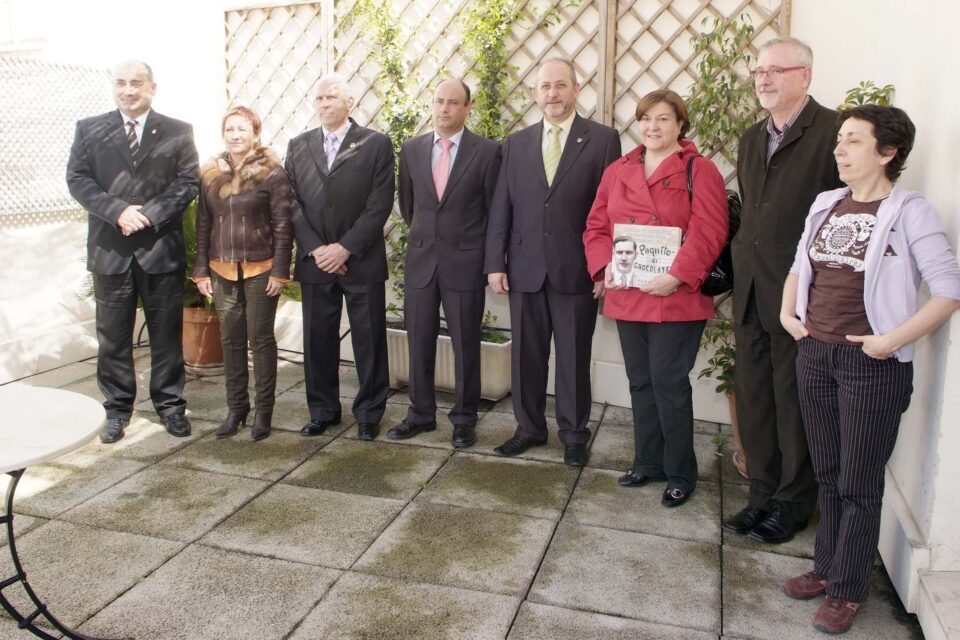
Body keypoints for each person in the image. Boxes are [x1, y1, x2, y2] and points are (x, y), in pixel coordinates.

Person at [779, 105, 960, 634]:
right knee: (829, 471)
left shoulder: (912, 212)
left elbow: (947, 291)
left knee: (859, 480)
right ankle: (828, 566)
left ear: (888, 152)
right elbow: (799, 267)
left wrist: (888, 343)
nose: (840, 149)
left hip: (870, 364)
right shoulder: (826, 203)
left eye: (853, 141)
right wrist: (789, 314)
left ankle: (848, 588)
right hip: (815, 353)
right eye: (840, 139)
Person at [724, 37, 843, 542]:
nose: (764, 79)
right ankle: (761, 495)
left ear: (805, 77)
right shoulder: (752, 138)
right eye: (758, 72)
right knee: (754, 400)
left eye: (775, 70)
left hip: (800, 297)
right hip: (751, 291)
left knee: (795, 404)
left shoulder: (834, 132)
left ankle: (793, 505)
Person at [583, 90, 728, 507]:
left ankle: (682, 471)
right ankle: (648, 461)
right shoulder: (618, 170)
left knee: (669, 383)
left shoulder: (700, 170)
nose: (653, 127)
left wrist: (677, 275)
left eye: (663, 119)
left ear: (680, 124)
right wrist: (603, 266)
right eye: (646, 119)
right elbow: (595, 227)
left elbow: (711, 231)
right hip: (629, 292)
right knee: (641, 382)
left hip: (676, 295)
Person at [485, 58, 621, 466]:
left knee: (574, 356)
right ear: (535, 93)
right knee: (526, 355)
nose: (552, 93)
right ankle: (529, 428)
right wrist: (496, 262)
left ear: (577, 89)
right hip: (524, 268)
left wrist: (602, 266)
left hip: (576, 270)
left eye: (561, 85)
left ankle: (574, 434)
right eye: (545, 86)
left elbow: (611, 209)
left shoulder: (602, 139)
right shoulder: (517, 142)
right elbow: (501, 208)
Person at [66, 60, 199, 444]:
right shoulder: (89, 129)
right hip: (111, 250)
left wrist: (149, 215)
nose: (128, 89)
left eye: (136, 83)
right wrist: (118, 212)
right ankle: (117, 409)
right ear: (114, 87)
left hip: (160, 249)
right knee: (112, 337)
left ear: (152, 88)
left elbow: (187, 180)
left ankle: (172, 407)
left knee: (166, 335)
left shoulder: (177, 131)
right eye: (121, 83)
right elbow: (77, 179)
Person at [387, 79, 502, 448]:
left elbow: (493, 211)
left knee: (466, 344)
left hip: (465, 264)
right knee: (419, 339)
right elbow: (410, 205)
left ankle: (464, 419)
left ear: (468, 107)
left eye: (453, 103)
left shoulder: (487, 152)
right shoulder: (412, 149)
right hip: (422, 261)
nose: (444, 109)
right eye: (439, 101)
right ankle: (421, 414)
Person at [286, 75, 394, 441]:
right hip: (316, 262)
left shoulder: (375, 143)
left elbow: (380, 204)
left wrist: (344, 248)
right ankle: (322, 410)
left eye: (332, 96)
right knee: (317, 341)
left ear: (350, 100)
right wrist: (318, 249)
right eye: (318, 97)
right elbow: (292, 203)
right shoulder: (298, 145)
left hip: (360, 259)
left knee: (369, 341)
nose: (324, 102)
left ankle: (368, 413)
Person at [193, 106, 292, 441]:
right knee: (230, 341)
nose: (235, 135)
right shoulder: (209, 172)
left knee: (260, 339)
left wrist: (280, 270)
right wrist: (200, 270)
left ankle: (263, 413)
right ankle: (236, 409)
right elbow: (203, 222)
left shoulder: (272, 172)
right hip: (220, 268)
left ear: (255, 133)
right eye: (230, 130)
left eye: (242, 129)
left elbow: (282, 223)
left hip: (261, 268)